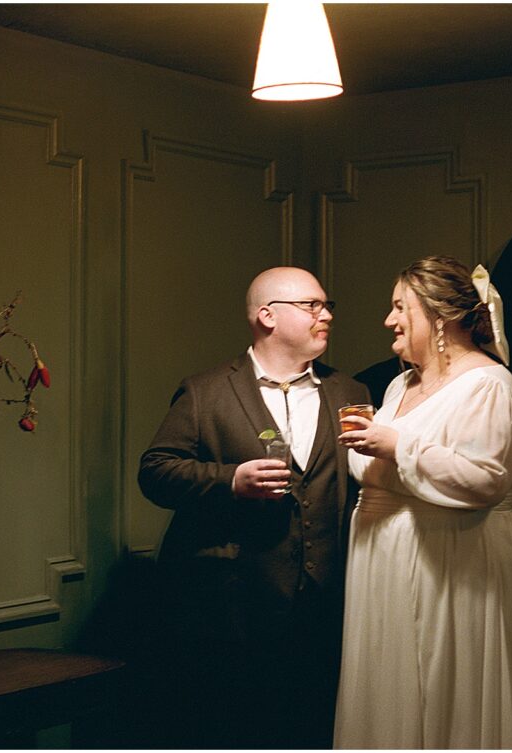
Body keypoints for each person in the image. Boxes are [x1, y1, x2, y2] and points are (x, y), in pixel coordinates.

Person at [333, 256, 512, 749]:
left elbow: (485, 480)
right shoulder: (400, 386)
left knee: (449, 693)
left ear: (439, 316)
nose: (389, 320)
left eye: (400, 307)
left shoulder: (488, 384)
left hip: (460, 564)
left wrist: (396, 445)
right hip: (387, 565)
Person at [138, 266, 370, 749]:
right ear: (267, 315)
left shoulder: (350, 393)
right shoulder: (206, 391)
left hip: (325, 600)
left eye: (327, 306)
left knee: (312, 727)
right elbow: (156, 471)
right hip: (232, 600)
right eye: (312, 305)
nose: (325, 315)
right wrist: (230, 480)